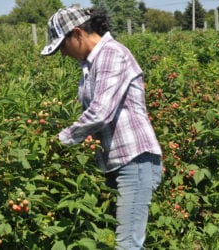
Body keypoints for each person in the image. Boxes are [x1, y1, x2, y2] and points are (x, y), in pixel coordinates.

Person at [41, 7, 162, 250]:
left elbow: (99, 112)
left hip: (134, 160)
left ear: (77, 33)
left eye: (63, 46)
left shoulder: (111, 54)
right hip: (115, 162)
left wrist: (59, 141)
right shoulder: (91, 63)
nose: (63, 54)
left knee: (127, 244)